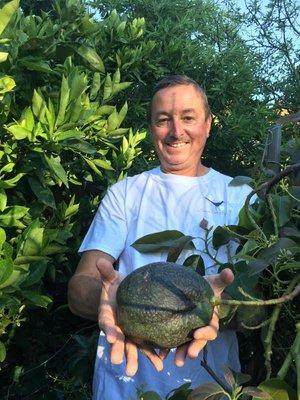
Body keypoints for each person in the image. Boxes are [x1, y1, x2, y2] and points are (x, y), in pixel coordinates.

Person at [68, 75, 252, 399]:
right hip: (124, 386)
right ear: (152, 127)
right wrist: (116, 300)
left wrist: (217, 308)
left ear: (208, 124)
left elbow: (261, 307)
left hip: (213, 390)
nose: (176, 131)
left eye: (188, 118)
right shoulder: (124, 194)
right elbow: (79, 286)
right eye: (163, 120)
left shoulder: (241, 195)